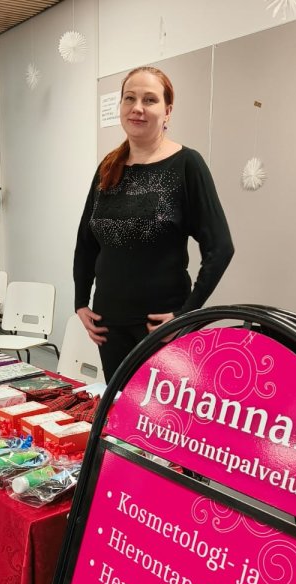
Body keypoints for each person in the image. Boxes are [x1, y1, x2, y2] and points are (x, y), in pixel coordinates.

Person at [73, 66, 234, 382]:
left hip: (161, 329)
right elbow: (86, 241)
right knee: (120, 406)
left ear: (167, 111)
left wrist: (186, 315)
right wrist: (80, 301)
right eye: (129, 98)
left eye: (149, 100)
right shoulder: (108, 167)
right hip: (109, 326)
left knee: (161, 412)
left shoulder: (187, 165)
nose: (137, 108)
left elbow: (220, 248)